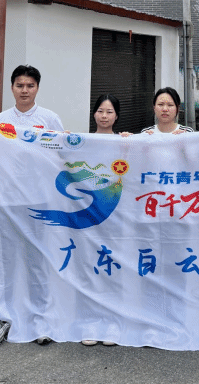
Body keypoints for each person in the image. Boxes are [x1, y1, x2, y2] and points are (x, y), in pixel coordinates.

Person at [0, 64, 63, 349]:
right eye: (19, 85)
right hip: (9, 201)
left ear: (37, 88)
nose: (25, 90)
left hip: (40, 200)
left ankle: (42, 319)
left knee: (39, 260)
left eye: (30, 85)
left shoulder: (49, 119)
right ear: (11, 88)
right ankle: (4, 318)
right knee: (7, 260)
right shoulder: (1, 121)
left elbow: (62, 156)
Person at [81, 93, 120, 347]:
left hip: (116, 217)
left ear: (116, 116)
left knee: (112, 268)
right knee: (89, 269)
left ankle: (112, 323)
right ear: (94, 113)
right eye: (100, 111)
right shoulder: (82, 142)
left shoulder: (125, 143)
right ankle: (90, 322)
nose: (104, 116)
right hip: (89, 216)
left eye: (109, 112)